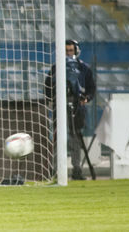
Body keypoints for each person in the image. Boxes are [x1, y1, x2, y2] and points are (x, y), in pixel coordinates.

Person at [44, 39, 96, 180]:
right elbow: (47, 86)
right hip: (58, 105)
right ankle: (54, 170)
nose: (68, 53)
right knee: (57, 136)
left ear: (76, 51)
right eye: (66, 51)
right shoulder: (56, 68)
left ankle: (77, 169)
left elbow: (92, 88)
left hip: (77, 106)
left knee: (76, 137)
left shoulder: (84, 68)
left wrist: (86, 98)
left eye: (71, 50)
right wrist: (50, 99)